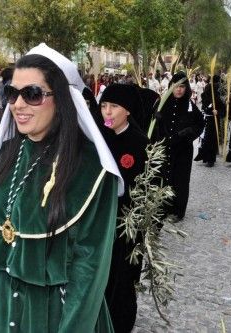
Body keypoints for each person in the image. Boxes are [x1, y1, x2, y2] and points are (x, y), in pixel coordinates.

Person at [0, 43, 123, 332]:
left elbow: (89, 271)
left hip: (53, 313)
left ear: (61, 99)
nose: (18, 104)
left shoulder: (92, 171)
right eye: (12, 92)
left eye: (32, 94)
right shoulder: (6, 155)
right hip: (0, 306)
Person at [98, 84, 149, 332]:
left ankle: (120, 323)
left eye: (114, 107)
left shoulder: (141, 143)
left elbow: (150, 189)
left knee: (123, 276)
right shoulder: (96, 139)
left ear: (127, 111)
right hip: (98, 222)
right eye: (104, 106)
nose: (107, 112)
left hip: (127, 223)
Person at [154, 71, 204, 220]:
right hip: (164, 148)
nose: (179, 90)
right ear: (171, 87)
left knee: (180, 180)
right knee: (164, 178)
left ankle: (177, 211)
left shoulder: (190, 105)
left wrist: (188, 133)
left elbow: (200, 124)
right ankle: (162, 207)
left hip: (182, 150)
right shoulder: (162, 103)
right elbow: (152, 125)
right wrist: (156, 118)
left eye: (182, 86)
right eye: (176, 86)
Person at [196, 74, 225, 167]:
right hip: (206, 119)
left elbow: (223, 109)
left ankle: (211, 159)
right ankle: (203, 155)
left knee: (211, 140)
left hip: (213, 121)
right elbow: (204, 105)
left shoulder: (216, 98)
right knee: (204, 138)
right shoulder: (205, 96)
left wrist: (218, 112)